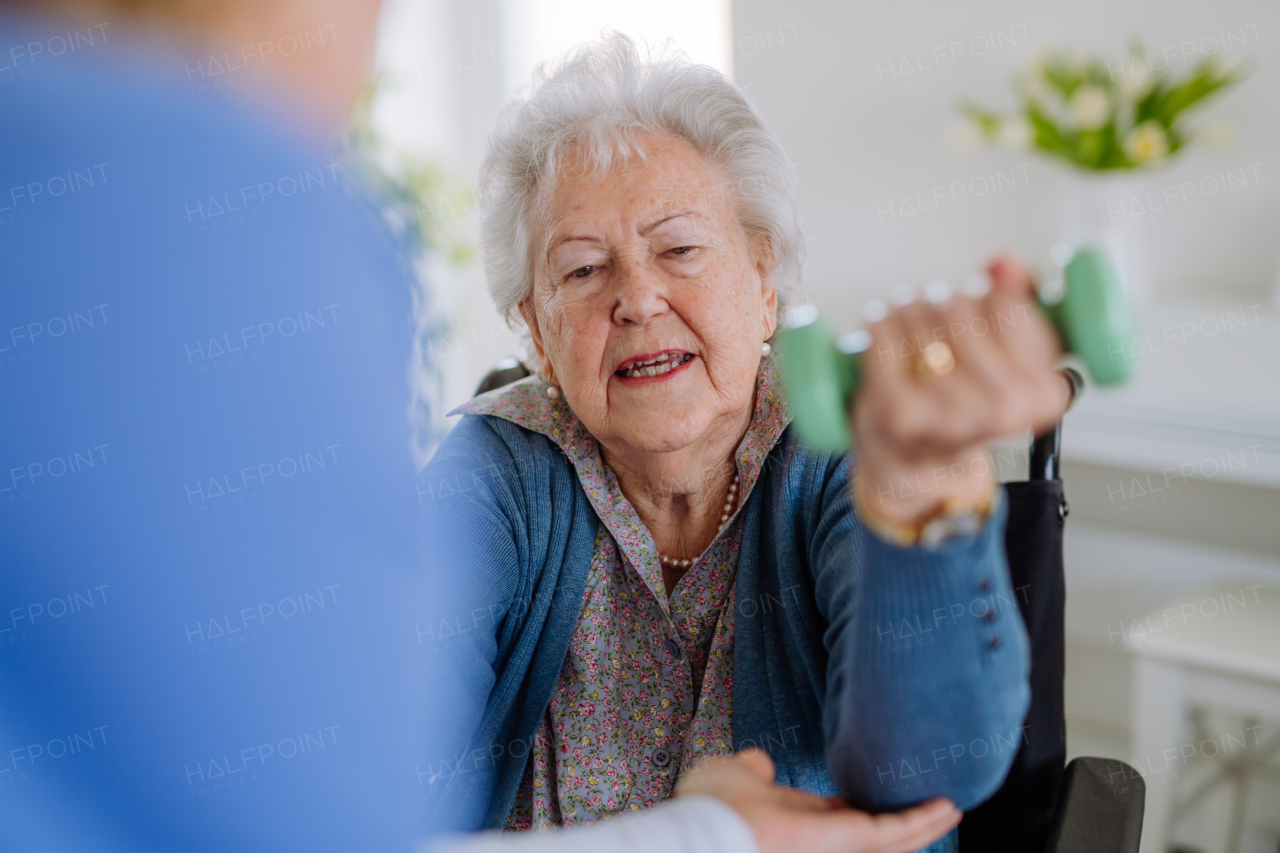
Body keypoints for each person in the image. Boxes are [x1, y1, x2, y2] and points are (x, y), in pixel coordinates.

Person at [417, 33, 1070, 853]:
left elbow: (927, 772)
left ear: (765, 282)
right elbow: (372, 760)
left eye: (680, 248)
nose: (638, 298)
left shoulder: (840, 449)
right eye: (583, 269)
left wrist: (917, 489)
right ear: (538, 336)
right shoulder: (495, 470)